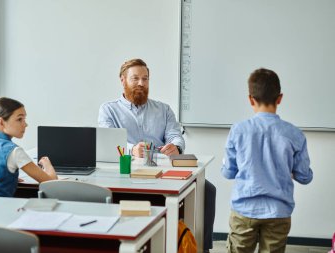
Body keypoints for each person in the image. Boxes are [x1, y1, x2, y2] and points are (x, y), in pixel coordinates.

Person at [98, 58, 216, 252]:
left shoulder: (164, 109)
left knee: (207, 189)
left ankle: (201, 246)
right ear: (122, 80)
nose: (141, 83)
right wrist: (131, 149)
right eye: (135, 78)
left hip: (162, 170)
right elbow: (109, 141)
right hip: (126, 172)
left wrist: (175, 147)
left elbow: (176, 136)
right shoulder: (108, 109)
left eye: (145, 79)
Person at [221, 68, 313, 253]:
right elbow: (305, 177)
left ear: (250, 99)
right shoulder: (294, 134)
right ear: (280, 98)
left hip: (244, 209)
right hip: (279, 211)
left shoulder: (238, 130)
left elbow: (228, 172)